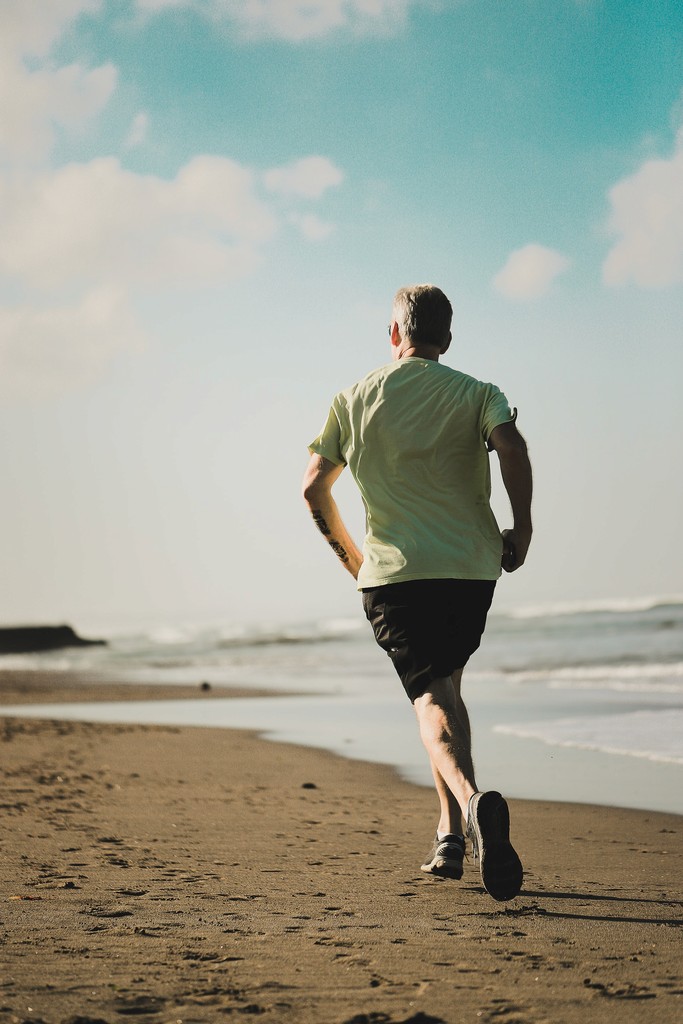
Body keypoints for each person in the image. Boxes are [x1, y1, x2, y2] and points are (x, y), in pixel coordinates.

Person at [302, 284, 532, 902]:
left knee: (430, 700)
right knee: (447, 688)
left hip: (396, 576)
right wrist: (523, 528)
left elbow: (313, 490)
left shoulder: (352, 400)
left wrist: (355, 560)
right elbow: (512, 446)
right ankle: (449, 837)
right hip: (471, 570)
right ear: (447, 340)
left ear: (393, 334)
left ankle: (472, 803)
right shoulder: (479, 392)